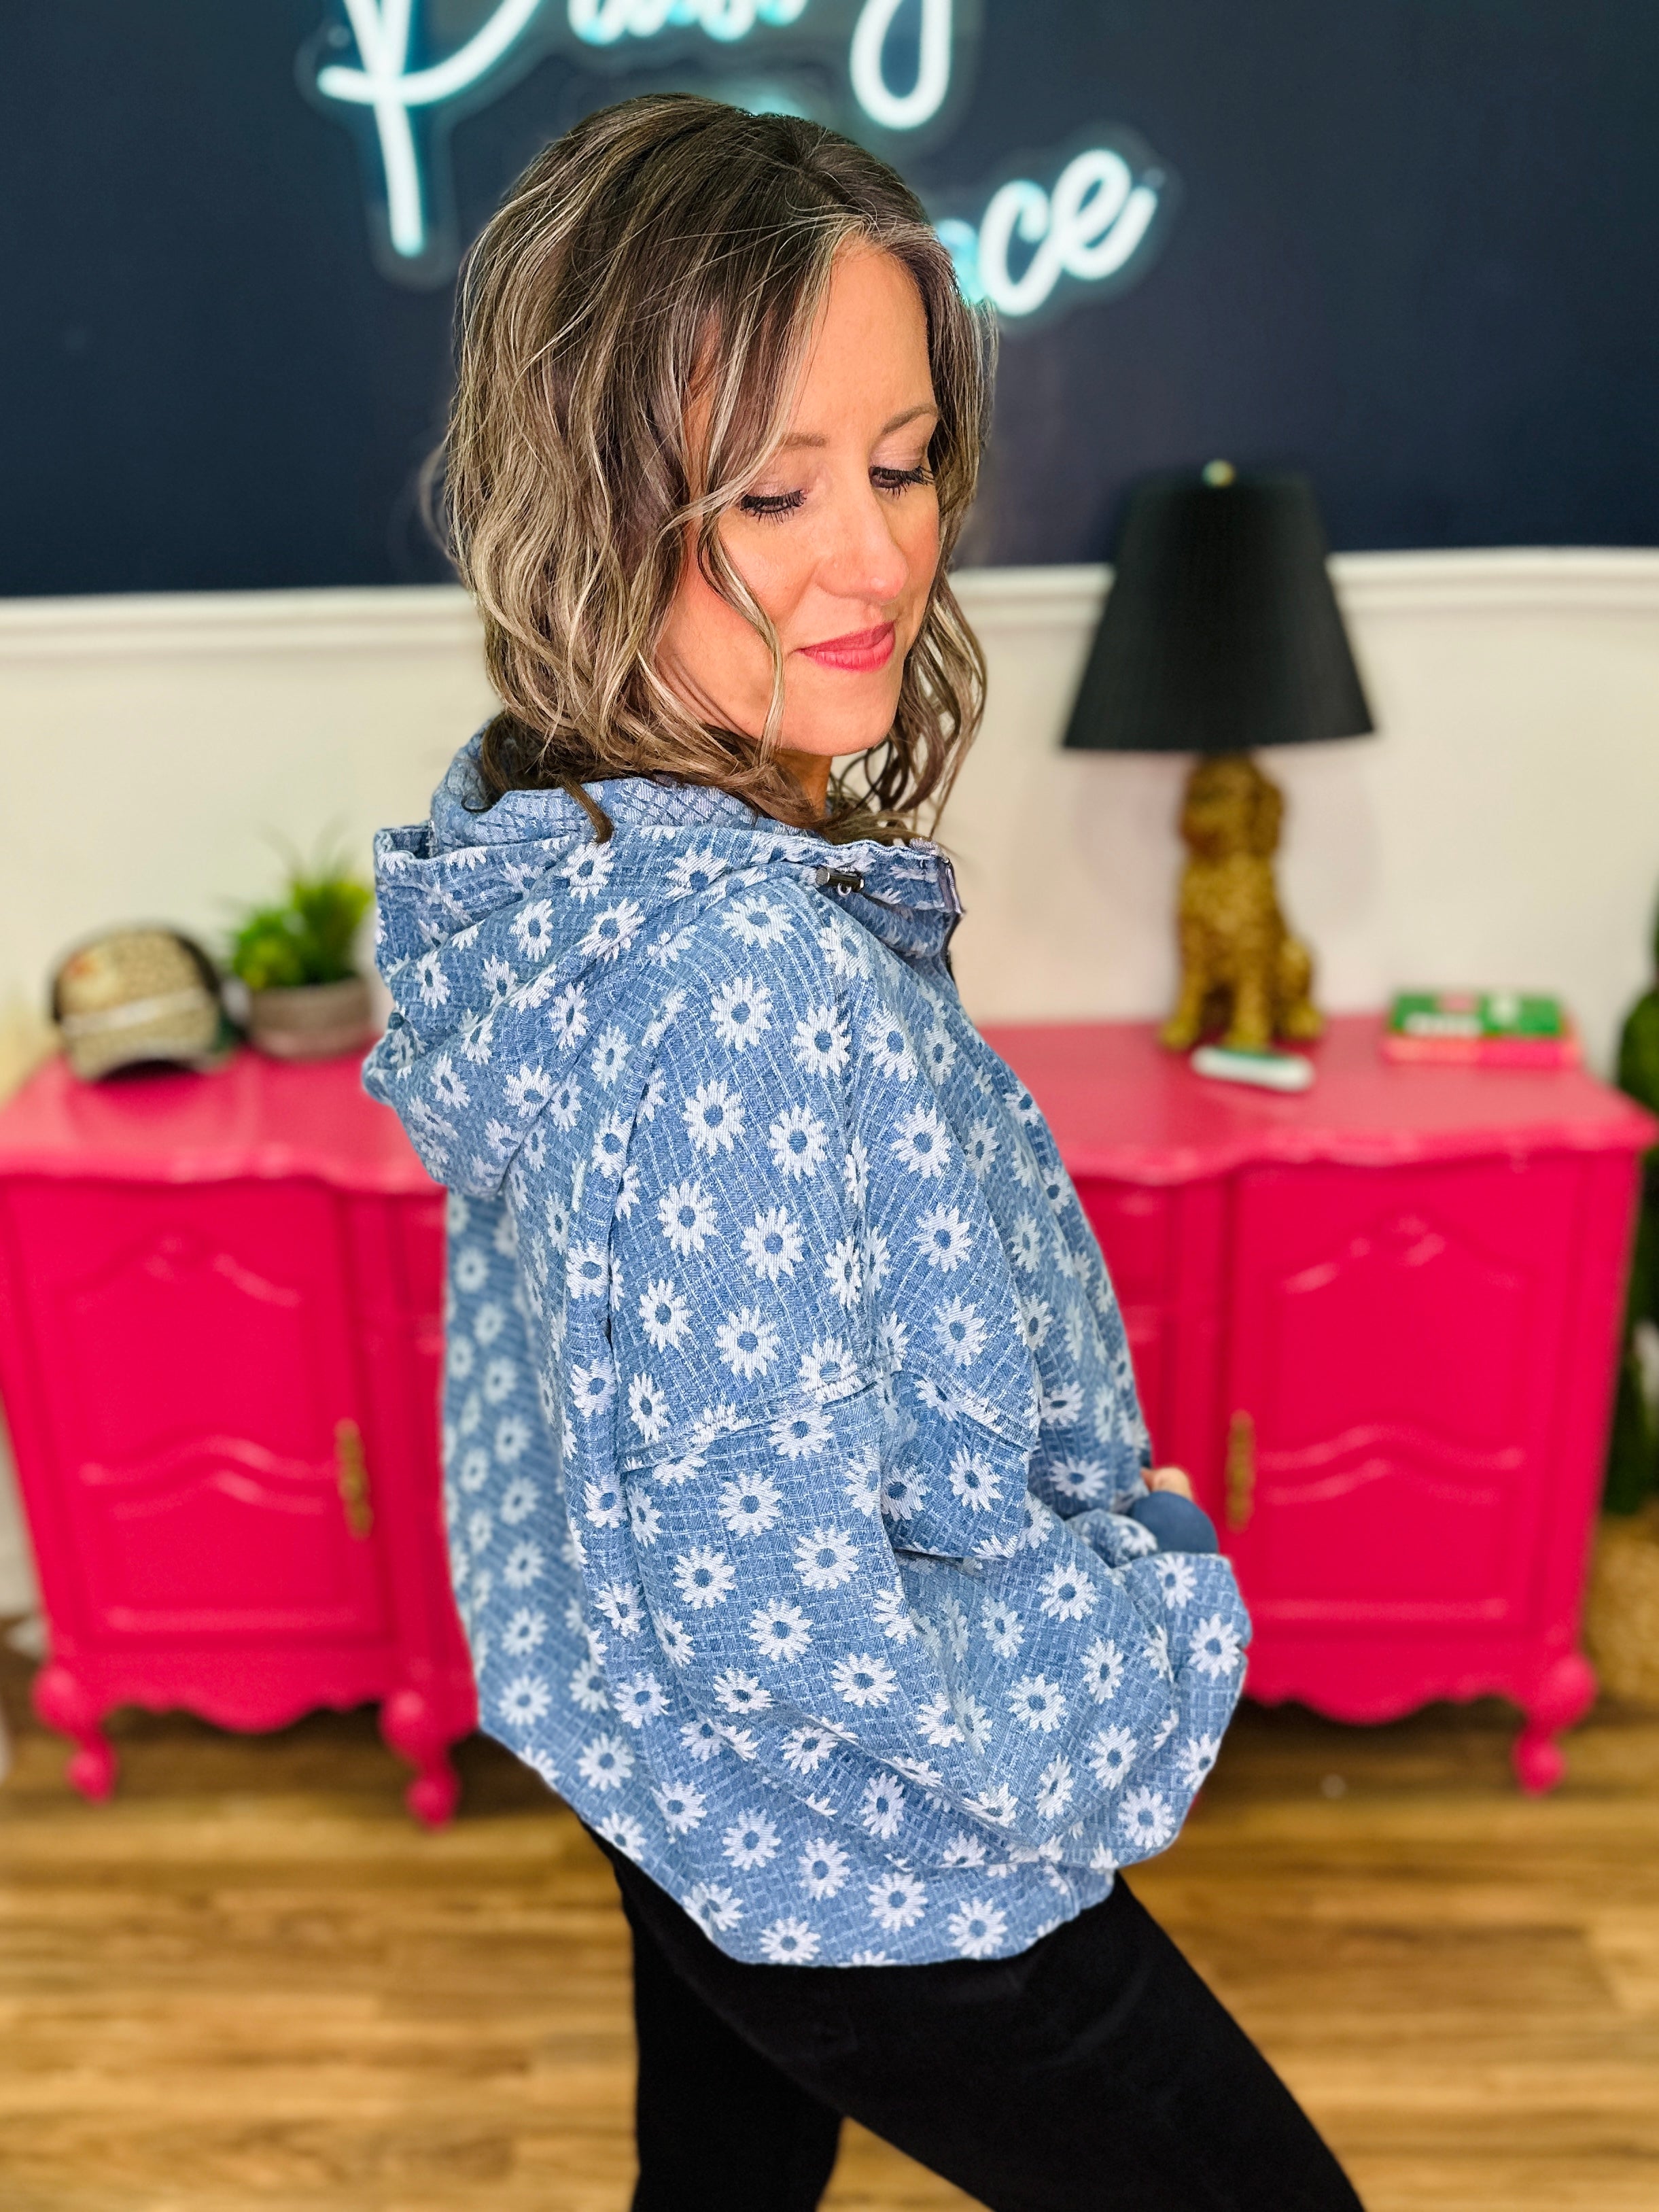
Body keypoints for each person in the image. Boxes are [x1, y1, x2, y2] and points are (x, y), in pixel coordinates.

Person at [366, 93, 1363, 2212]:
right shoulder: (732, 970)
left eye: (900, 465)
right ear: (586, 499)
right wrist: (1128, 1628)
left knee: (721, 2185)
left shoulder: (543, 841)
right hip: (869, 1843)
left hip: (671, 1786)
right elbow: (776, 1608)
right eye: (769, 488)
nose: (879, 558)